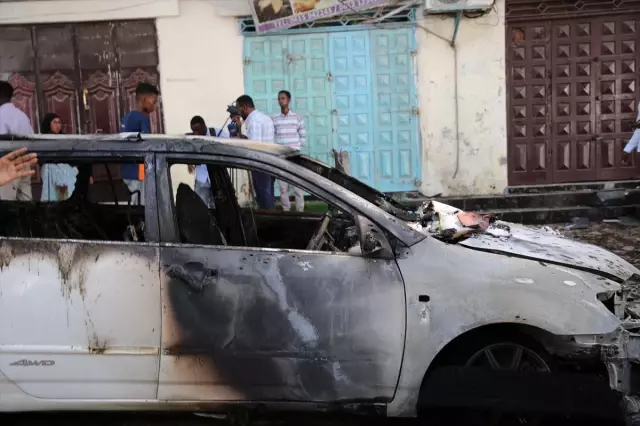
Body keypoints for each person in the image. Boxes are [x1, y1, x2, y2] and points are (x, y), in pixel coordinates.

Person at [120, 82, 159, 205]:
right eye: (154, 101)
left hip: (128, 170)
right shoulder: (141, 118)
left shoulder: (128, 116)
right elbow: (146, 146)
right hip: (138, 171)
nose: (155, 106)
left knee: (136, 202)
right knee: (142, 206)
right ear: (144, 99)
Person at [235, 94, 276, 210]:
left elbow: (255, 146)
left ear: (245, 106)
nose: (238, 112)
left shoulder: (254, 121)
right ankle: (271, 220)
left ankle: (270, 223)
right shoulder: (261, 117)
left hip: (261, 165)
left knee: (264, 198)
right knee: (267, 196)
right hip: (269, 163)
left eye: (239, 108)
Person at [0, 80, 34, 201]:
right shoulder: (22, 115)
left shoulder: (1, 115)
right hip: (24, 162)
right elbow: (31, 138)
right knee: (25, 200)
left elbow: (1, 145)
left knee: (7, 203)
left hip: (7, 166)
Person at [273, 90, 306, 212]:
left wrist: (296, 148)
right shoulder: (275, 119)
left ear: (289, 100)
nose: (281, 101)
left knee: (298, 186)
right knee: (283, 187)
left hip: (295, 156)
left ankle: (300, 211)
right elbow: (272, 136)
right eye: (279, 99)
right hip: (281, 156)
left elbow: (303, 136)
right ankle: (286, 211)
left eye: (283, 98)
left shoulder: (297, 117)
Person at [187, 115, 230, 208]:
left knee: (218, 206)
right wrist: (189, 161)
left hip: (217, 176)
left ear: (204, 126)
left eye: (198, 130)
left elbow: (230, 143)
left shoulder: (216, 132)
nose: (196, 133)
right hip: (201, 178)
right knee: (200, 206)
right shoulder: (192, 137)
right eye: (193, 130)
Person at [39, 113, 78, 202]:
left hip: (64, 170)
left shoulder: (65, 138)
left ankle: (63, 205)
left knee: (64, 178)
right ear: (48, 124)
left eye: (59, 122)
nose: (57, 125)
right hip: (51, 169)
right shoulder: (43, 139)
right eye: (55, 122)